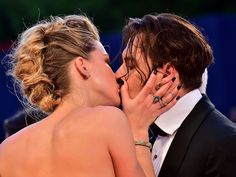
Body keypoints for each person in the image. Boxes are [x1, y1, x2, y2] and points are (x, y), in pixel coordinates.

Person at [0, 14, 179, 177]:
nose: (117, 75)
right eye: (106, 62)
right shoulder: (108, 120)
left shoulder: (6, 150)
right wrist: (138, 129)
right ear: (82, 66)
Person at [116, 13, 236, 177]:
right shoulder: (144, 130)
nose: (118, 75)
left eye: (130, 65)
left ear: (166, 75)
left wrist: (137, 133)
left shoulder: (225, 143)